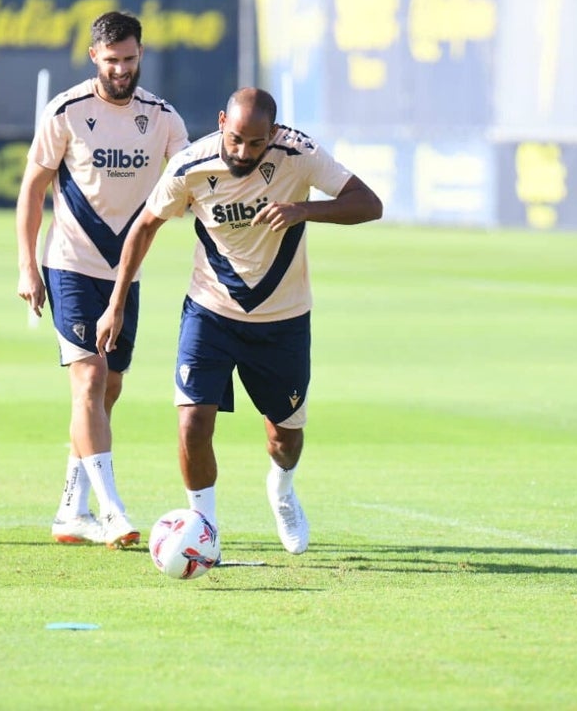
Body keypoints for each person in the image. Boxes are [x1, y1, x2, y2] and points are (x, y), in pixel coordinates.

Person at [95, 87, 382, 554]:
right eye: (235, 139)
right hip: (210, 311)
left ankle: (283, 490)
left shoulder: (300, 153)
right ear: (221, 120)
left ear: (273, 134)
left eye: (255, 143)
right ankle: (203, 529)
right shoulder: (191, 164)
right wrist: (116, 303)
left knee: (284, 440)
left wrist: (302, 210)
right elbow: (144, 226)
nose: (243, 152)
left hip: (283, 319)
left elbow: (370, 204)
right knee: (192, 422)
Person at [16, 10, 189, 548]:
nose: (121, 70)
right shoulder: (66, 111)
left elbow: (190, 183)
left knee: (105, 393)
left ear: (141, 55)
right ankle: (112, 512)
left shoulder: (162, 119)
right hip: (68, 264)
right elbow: (32, 190)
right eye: (112, 61)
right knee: (89, 382)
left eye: (130, 60)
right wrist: (27, 264)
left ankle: (72, 509)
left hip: (124, 276)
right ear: (94, 56)